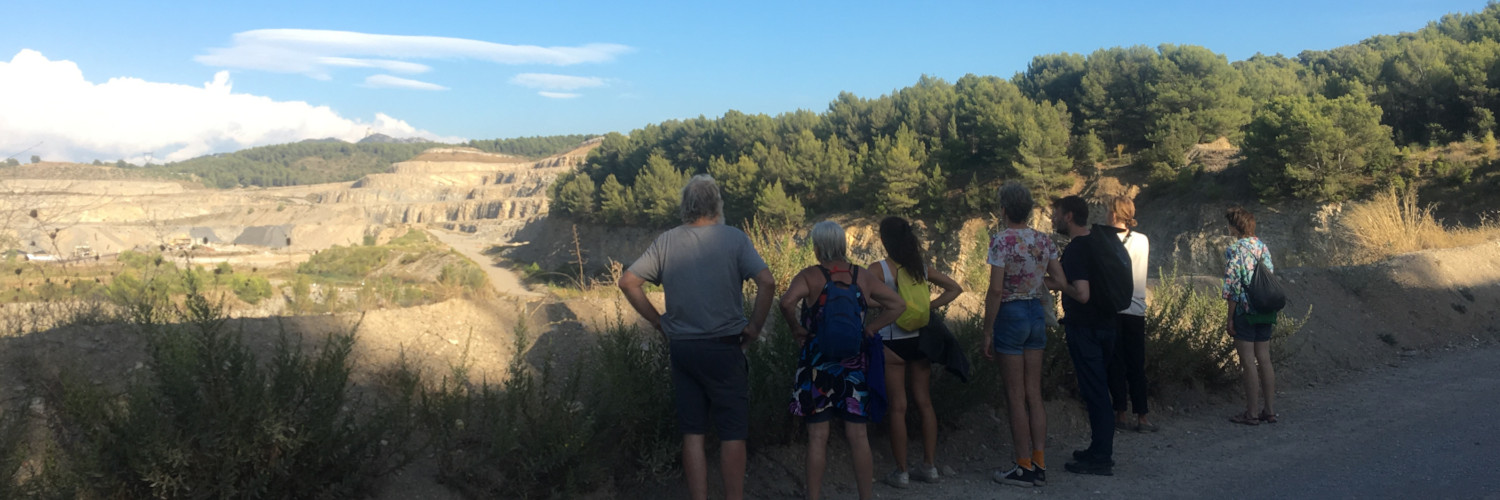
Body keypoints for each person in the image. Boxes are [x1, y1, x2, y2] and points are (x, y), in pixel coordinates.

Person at [619, 175, 776, 500]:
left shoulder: (666, 241)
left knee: (692, 432)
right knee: (732, 433)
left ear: (685, 206)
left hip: (684, 350)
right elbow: (767, 282)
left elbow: (628, 281)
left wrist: (658, 322)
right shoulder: (734, 239)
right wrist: (755, 326)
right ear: (717, 204)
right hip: (725, 349)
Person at [780, 220, 906, 500]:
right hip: (854, 365)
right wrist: (870, 328)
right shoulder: (862, 276)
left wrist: (796, 328)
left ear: (817, 247)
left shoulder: (809, 276)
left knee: (817, 437)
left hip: (817, 364)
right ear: (842, 245)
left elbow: (786, 303)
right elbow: (898, 304)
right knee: (858, 436)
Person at [983, 182, 1066, 488]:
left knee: (1015, 396)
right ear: (1029, 210)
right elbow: (1059, 280)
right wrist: (1034, 281)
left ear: (1003, 209)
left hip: (1010, 314)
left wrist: (987, 330)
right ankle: (1039, 462)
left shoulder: (1000, 241)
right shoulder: (1044, 240)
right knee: (1034, 393)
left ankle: (1022, 466)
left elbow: (995, 290)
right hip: (1035, 312)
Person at [870, 216, 962, 488]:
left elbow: (860, 296)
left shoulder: (879, 269)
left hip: (892, 342)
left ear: (884, 240)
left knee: (898, 407)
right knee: (924, 402)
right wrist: (926, 308)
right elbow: (955, 288)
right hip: (920, 341)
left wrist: (884, 306)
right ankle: (929, 467)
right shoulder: (920, 267)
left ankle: (901, 472)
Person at [1046, 195, 1117, 476]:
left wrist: (1060, 284)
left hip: (1086, 328)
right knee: (1101, 389)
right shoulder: (1099, 241)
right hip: (1108, 325)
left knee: (1095, 391)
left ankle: (1101, 457)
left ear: (1069, 216)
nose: (1053, 218)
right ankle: (1098, 447)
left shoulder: (1076, 248)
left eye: (1056, 213)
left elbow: (1082, 293)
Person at [1222, 206, 1279, 426]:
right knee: (1264, 358)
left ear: (1235, 227)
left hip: (1245, 311)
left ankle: (1252, 413)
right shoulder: (1262, 246)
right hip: (1265, 309)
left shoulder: (1235, 250)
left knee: (1248, 362)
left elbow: (1232, 286)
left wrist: (1230, 317)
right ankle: (1270, 411)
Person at [1106, 196, 1157, 433]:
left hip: (1113, 308)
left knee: (1116, 363)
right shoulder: (1143, 240)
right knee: (1136, 364)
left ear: (1114, 214)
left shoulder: (1105, 241)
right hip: (1136, 309)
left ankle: (1120, 413)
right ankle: (1142, 416)